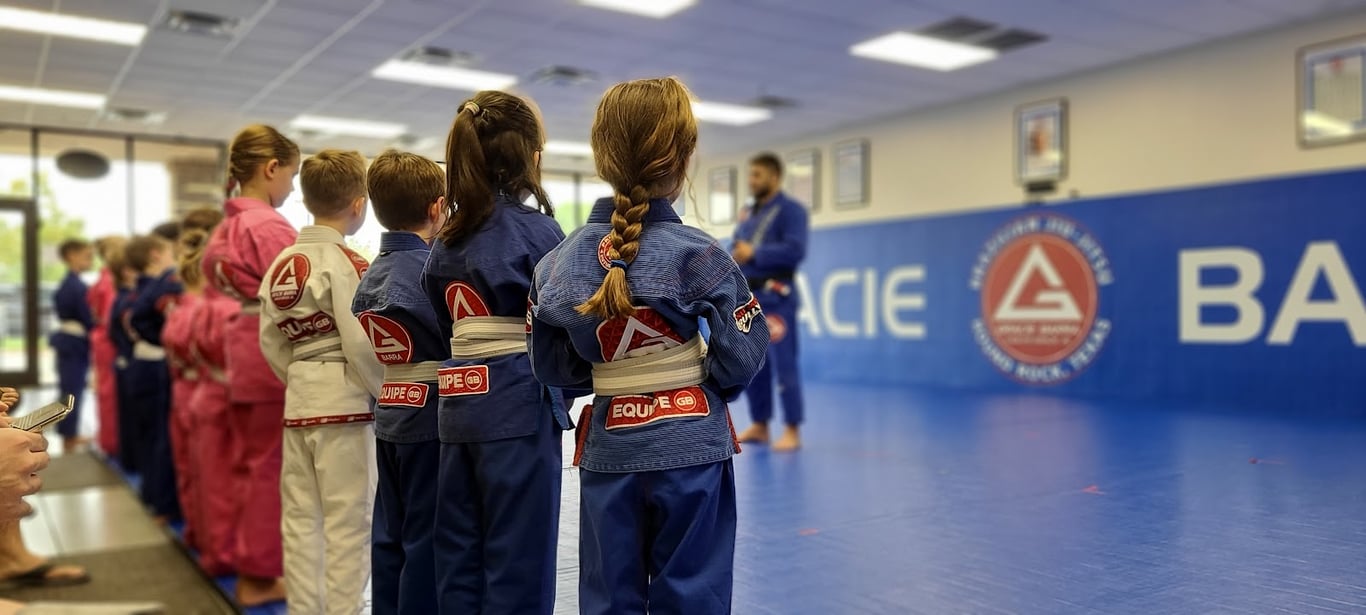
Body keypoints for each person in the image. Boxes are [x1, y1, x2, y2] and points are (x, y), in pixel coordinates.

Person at [527, 76, 769, 614]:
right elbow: (742, 356)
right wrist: (704, 383)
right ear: (683, 158)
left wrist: (608, 371)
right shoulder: (699, 254)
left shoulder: (556, 264)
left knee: (608, 597)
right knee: (694, 595)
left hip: (610, 447)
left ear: (601, 156)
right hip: (692, 443)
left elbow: (552, 367)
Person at [420, 91, 568, 614]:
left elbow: (443, 323)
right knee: (518, 557)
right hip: (517, 403)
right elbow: (563, 323)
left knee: (458, 552)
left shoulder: (446, 239)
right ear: (530, 157)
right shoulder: (540, 231)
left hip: (458, 404)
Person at [258, 149, 380, 615]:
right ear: (358, 204)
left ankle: (305, 609)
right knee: (350, 521)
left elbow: (270, 343)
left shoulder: (280, 264)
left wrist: (300, 377)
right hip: (345, 401)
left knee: (300, 518)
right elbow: (360, 342)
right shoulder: (346, 262)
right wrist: (380, 391)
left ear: (306, 200)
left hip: (300, 398)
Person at [200, 124, 298, 607]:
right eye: (292, 177)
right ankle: (259, 575)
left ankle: (235, 556)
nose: (293, 188)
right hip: (267, 351)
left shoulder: (225, 229)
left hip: (239, 350)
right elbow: (301, 294)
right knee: (268, 468)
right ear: (271, 168)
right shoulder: (267, 227)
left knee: (244, 464)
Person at [350, 150, 446, 615]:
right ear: (437, 208)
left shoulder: (371, 272)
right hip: (430, 415)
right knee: (426, 535)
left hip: (391, 406)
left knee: (389, 532)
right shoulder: (431, 272)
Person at [732, 152, 810, 452]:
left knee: (784, 363)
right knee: (755, 364)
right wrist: (738, 253)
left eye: (757, 175)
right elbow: (739, 244)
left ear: (774, 177)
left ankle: (792, 428)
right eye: (750, 175)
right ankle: (760, 424)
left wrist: (756, 253)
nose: (751, 181)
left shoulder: (792, 211)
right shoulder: (749, 213)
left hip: (777, 296)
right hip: (751, 298)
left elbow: (795, 250)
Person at [185, 221, 242, 577]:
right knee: (222, 484)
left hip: (205, 392)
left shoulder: (202, 304)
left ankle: (208, 543)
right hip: (224, 397)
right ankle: (223, 554)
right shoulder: (227, 308)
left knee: (206, 479)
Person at [123, 234, 183, 523]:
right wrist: (166, 340)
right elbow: (137, 318)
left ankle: (152, 494)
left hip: (142, 363)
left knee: (149, 436)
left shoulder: (145, 286)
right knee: (160, 435)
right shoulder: (164, 284)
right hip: (153, 363)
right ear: (156, 254)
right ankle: (162, 502)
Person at [50, 239, 94, 451]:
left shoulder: (72, 283)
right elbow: (86, 316)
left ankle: (70, 433)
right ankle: (69, 436)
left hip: (72, 343)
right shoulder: (74, 285)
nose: (91, 261)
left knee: (72, 388)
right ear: (71, 256)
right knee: (71, 389)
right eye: (87, 256)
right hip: (72, 343)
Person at [87, 236, 126, 458]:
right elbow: (112, 316)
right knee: (111, 393)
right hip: (109, 342)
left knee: (105, 390)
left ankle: (108, 438)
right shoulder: (110, 282)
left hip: (101, 340)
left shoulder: (101, 279)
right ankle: (112, 441)